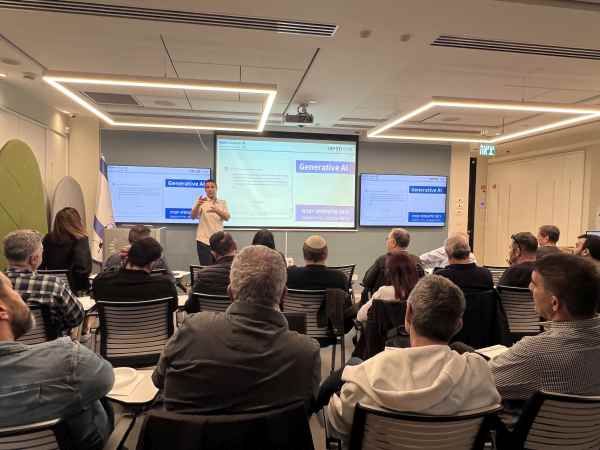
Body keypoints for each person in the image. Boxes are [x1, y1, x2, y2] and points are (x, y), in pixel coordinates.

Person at [325, 275, 501, 447]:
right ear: (458, 325)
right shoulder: (481, 377)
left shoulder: (364, 380)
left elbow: (338, 427)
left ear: (408, 313)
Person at [153, 245, 321, 414]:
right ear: (284, 295)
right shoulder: (306, 353)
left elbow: (158, 380)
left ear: (230, 293)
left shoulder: (190, 330)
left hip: (189, 431)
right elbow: (308, 408)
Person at [0, 271, 114, 450]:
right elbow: (106, 380)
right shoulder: (71, 362)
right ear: (1, 311)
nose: (20, 296)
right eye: (12, 289)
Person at [490, 254, 600, 412]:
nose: (529, 288)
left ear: (554, 303)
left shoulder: (534, 352)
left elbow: (477, 383)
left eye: (534, 284)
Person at [3, 229, 84, 336]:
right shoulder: (53, 285)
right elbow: (76, 318)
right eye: (42, 252)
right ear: (34, 259)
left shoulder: (3, 285)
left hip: (6, 345)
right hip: (49, 346)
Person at [92, 237, 177, 309]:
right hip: (152, 324)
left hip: (116, 324)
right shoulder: (165, 286)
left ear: (128, 256)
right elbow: (173, 307)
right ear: (152, 263)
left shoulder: (101, 283)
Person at [361, 228, 423, 304]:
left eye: (387, 239)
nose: (386, 241)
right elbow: (422, 283)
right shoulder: (416, 260)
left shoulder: (382, 260)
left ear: (393, 242)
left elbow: (367, 282)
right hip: (410, 305)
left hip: (382, 306)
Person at [357, 251, 421, 322]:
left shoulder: (384, 292)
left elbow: (361, 316)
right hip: (412, 327)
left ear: (390, 272)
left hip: (386, 328)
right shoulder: (420, 291)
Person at [40, 207, 92, 293]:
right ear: (77, 222)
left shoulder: (48, 238)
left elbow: (40, 266)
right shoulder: (80, 239)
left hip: (52, 286)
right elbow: (83, 268)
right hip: (75, 289)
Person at [184, 231, 237, 313]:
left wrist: (190, 294)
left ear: (213, 253)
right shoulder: (245, 273)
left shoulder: (202, 275)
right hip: (238, 320)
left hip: (207, 320)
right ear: (235, 247)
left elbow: (190, 308)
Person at [103, 224, 174, 283]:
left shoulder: (114, 258)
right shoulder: (157, 258)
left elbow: (105, 280)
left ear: (129, 240)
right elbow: (171, 280)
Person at [191, 179, 230, 266]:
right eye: (207, 187)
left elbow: (227, 217)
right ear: (205, 189)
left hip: (219, 241)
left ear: (216, 188)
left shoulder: (222, 203)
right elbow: (193, 216)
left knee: (219, 267)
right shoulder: (201, 202)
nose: (210, 189)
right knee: (206, 268)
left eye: (212, 187)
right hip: (203, 241)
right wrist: (197, 205)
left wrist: (217, 210)